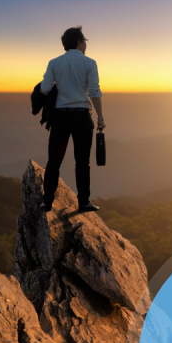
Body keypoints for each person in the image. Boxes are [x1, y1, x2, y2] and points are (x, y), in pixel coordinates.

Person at [39, 26, 106, 212]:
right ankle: (83, 202)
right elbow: (94, 91)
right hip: (82, 117)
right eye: (84, 41)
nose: (85, 45)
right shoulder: (90, 63)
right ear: (78, 42)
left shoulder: (54, 63)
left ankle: (47, 202)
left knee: (54, 160)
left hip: (60, 117)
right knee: (82, 161)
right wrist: (100, 117)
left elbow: (44, 89)